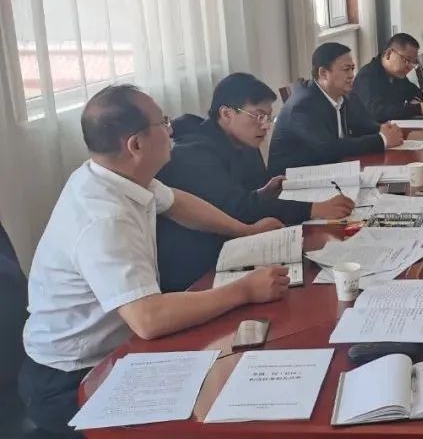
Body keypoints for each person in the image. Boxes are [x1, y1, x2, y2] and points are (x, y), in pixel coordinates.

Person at [20, 85, 290, 438]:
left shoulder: (115, 175)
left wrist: (245, 231)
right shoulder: (103, 218)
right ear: (135, 145)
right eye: (162, 123)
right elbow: (149, 319)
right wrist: (245, 290)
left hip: (120, 348)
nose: (171, 128)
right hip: (72, 380)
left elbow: (177, 203)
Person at [156, 73, 355, 292]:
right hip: (198, 273)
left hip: (234, 246)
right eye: (258, 116)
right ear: (226, 113)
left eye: (268, 117)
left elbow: (240, 198)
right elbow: (239, 209)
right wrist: (313, 209)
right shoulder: (194, 153)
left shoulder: (243, 142)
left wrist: (262, 193)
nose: (266, 126)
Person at [268, 42, 403, 175]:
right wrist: (382, 139)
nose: (351, 75)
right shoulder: (303, 106)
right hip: (293, 179)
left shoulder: (343, 96)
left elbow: (361, 124)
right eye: (346, 69)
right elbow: (328, 148)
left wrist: (384, 129)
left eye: (352, 69)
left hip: (330, 170)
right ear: (323, 73)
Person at [351, 33, 423, 123]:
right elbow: (376, 112)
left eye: (413, 62)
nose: (410, 67)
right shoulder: (367, 76)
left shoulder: (397, 75)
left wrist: (418, 106)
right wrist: (417, 109)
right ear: (388, 54)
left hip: (394, 127)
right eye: (406, 60)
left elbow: (417, 94)